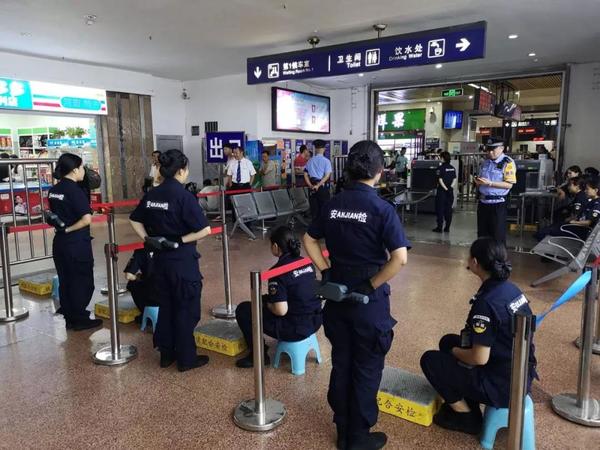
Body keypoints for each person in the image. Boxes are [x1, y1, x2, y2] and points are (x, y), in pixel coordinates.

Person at [303, 140, 410, 450]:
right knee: (366, 367)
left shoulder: (333, 204)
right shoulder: (382, 209)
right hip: (368, 302)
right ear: (379, 171)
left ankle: (342, 429)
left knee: (342, 361)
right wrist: (371, 285)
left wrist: (326, 271)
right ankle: (358, 437)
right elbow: (400, 258)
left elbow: (309, 240)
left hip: (336, 297)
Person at [420, 237, 537, 435]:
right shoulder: (511, 288)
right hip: (519, 373)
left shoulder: (486, 303)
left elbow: (479, 358)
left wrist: (454, 352)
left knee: (430, 360)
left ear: (475, 262)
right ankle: (467, 394)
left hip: (500, 386)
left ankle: (466, 416)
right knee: (447, 341)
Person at [129, 149, 212, 372]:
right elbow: (205, 230)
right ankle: (186, 359)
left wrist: (148, 239)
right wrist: (179, 240)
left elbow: (134, 219)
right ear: (181, 171)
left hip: (159, 262)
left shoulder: (152, 194)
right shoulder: (183, 196)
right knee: (186, 308)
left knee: (165, 307)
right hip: (182, 262)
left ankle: (166, 354)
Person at [235, 226, 322, 368]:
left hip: (295, 329)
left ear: (275, 246)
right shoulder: (307, 262)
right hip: (315, 321)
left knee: (244, 309)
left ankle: (258, 355)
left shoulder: (277, 271)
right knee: (265, 299)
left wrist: (268, 304)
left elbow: (281, 311)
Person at [48, 153, 101, 331]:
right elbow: (86, 219)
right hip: (76, 243)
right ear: (74, 170)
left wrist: (63, 230)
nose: (84, 171)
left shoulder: (54, 190)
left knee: (66, 280)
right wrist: (69, 229)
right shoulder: (74, 191)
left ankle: (70, 317)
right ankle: (79, 319)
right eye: (82, 167)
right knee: (82, 280)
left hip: (60, 243)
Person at [475, 138, 516, 244]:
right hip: (483, 203)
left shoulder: (508, 162)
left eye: (493, 149)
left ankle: (499, 255)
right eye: (488, 149)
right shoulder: (485, 162)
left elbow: (509, 184)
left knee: (497, 237)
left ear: (501, 148)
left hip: (497, 204)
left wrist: (490, 183)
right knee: (482, 236)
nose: (490, 152)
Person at [535, 177, 589, 241]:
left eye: (570, 185)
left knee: (542, 232)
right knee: (546, 229)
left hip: (574, 228)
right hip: (571, 224)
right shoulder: (579, 196)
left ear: (577, 186)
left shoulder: (580, 198)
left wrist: (564, 221)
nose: (568, 187)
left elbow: (575, 217)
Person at [124, 248, 159, 324]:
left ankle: (146, 312)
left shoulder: (141, 251)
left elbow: (128, 275)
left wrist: (138, 278)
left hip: (153, 295)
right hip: (172, 298)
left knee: (132, 283)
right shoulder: (173, 248)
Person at [304, 139, 332, 221]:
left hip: (312, 187)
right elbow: (327, 176)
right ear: (324, 149)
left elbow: (305, 174)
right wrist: (318, 185)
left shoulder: (310, 160)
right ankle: (322, 226)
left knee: (314, 209)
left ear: (315, 149)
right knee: (324, 208)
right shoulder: (326, 161)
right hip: (322, 187)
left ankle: (314, 226)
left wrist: (310, 185)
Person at [433, 151, 457, 233]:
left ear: (443, 158)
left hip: (442, 192)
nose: (440, 158)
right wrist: (450, 188)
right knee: (448, 209)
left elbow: (440, 180)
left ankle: (439, 227)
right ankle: (447, 228)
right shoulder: (452, 168)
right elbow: (454, 179)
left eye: (440, 157)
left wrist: (445, 188)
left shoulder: (440, 168)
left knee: (440, 209)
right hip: (450, 192)